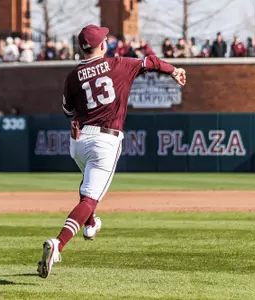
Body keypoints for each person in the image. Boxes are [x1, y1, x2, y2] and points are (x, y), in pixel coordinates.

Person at [37, 24, 186, 279]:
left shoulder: (73, 76)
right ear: (102, 45)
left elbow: (68, 112)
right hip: (105, 141)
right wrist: (173, 70)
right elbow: (150, 61)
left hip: (78, 141)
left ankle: (91, 223)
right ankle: (58, 244)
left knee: (88, 186)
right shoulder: (119, 64)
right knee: (89, 198)